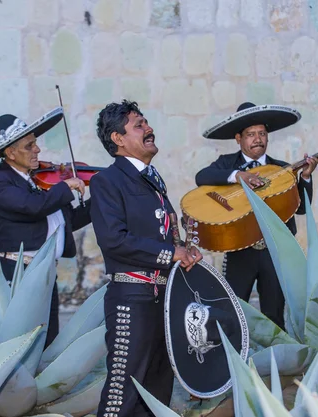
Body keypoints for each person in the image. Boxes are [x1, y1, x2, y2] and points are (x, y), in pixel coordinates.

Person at [91, 100, 202, 417]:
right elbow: (114, 240)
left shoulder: (154, 179)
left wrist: (184, 246)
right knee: (121, 396)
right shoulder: (106, 182)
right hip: (132, 301)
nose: (149, 128)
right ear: (118, 138)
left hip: (164, 302)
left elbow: (160, 232)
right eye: (138, 125)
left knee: (158, 391)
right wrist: (171, 253)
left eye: (146, 122)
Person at [0, 107, 91, 347]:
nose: (38, 150)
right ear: (10, 153)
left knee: (48, 336)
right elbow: (32, 207)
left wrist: (102, 199)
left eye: (35, 143)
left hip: (46, 270)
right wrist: (66, 187)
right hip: (18, 272)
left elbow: (67, 223)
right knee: (19, 340)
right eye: (29, 146)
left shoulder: (40, 181)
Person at [195, 102, 318, 330]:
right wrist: (238, 176)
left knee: (274, 313)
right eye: (251, 134)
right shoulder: (227, 164)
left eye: (262, 134)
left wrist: (306, 177)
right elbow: (202, 176)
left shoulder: (282, 168)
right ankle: (233, 359)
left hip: (275, 253)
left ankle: (273, 362)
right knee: (231, 310)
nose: (257, 139)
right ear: (238, 138)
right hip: (240, 252)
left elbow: (301, 208)